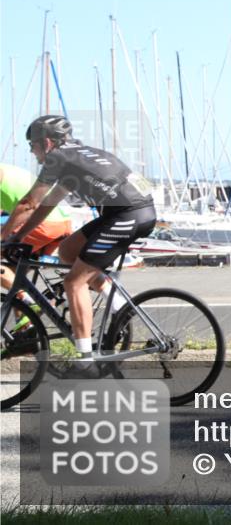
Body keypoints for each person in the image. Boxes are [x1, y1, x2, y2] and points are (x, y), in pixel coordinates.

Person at [1, 116, 156, 366]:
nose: (31, 151)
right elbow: (45, 205)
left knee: (73, 281)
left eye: (33, 144)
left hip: (127, 214)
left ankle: (85, 359)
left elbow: (29, 202)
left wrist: (3, 237)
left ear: (47, 143)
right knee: (67, 251)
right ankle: (118, 304)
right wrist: (19, 235)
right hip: (129, 211)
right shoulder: (78, 156)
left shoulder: (58, 158)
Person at [1, 163, 74, 290]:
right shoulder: (9, 170)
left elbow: (25, 206)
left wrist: (2, 236)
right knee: (13, 275)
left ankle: (29, 302)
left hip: (43, 223)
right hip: (61, 222)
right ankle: (29, 306)